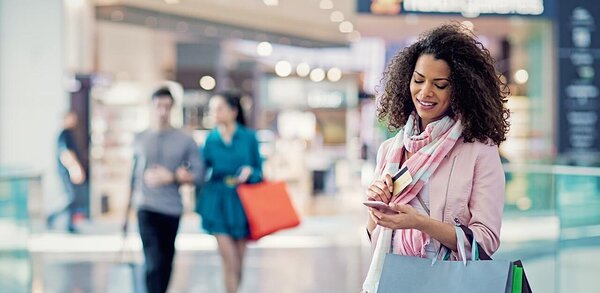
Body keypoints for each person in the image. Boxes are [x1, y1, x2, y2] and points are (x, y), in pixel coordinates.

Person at [362, 24, 510, 291]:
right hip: (395, 281)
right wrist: (377, 210)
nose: (425, 92)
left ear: (461, 90)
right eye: (418, 80)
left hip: (449, 283)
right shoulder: (390, 150)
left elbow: (486, 240)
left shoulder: (479, 151)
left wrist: (419, 223)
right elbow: (375, 234)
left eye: (439, 85)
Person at [131, 87, 204, 293]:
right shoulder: (140, 138)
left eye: (166, 106)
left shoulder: (185, 140)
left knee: (166, 260)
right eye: (158, 106)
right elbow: (133, 174)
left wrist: (173, 176)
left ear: (172, 108)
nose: (162, 111)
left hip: (171, 208)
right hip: (146, 206)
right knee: (152, 260)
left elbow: (199, 174)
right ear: (151, 107)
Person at [196, 91, 262, 293]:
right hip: (217, 202)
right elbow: (201, 169)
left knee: (239, 262)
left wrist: (251, 172)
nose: (214, 113)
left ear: (233, 111)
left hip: (242, 203)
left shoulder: (249, 137)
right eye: (213, 109)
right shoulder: (210, 139)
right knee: (229, 260)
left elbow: (260, 171)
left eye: (219, 108)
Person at [47, 112, 86, 233]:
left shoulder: (70, 133)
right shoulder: (64, 135)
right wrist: (74, 169)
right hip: (66, 172)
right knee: (71, 197)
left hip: (69, 171)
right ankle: (52, 216)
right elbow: (66, 154)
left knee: (74, 198)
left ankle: (70, 225)